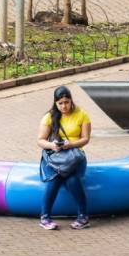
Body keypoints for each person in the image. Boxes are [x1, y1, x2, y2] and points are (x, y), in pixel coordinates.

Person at [37, 86, 91, 230]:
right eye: (60, 103)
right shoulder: (49, 117)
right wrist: (52, 145)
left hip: (75, 157)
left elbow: (85, 139)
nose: (64, 106)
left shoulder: (82, 115)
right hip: (55, 158)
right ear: (55, 103)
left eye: (66, 102)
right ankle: (45, 217)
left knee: (72, 179)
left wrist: (71, 144)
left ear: (71, 100)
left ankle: (83, 216)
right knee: (54, 179)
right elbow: (40, 140)